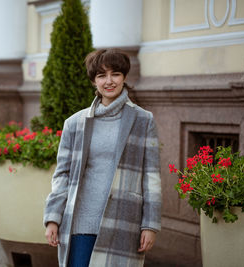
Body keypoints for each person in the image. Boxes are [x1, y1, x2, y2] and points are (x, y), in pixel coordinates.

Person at [43, 48, 162, 267]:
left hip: (123, 221)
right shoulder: (75, 123)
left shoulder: (143, 120)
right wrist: (53, 218)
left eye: (115, 74)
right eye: (101, 75)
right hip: (81, 223)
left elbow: (151, 177)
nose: (109, 81)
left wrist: (150, 225)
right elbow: (62, 174)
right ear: (93, 81)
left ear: (124, 77)